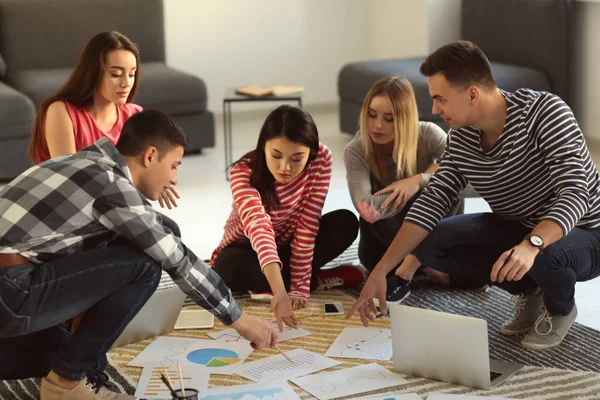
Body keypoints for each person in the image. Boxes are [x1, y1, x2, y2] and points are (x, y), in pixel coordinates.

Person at [0, 109, 277, 400]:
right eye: (173, 165)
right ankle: (64, 385)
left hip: (15, 285)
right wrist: (240, 320)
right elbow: (176, 258)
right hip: (12, 291)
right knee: (146, 264)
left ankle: (62, 365)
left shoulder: (83, 162)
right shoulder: (111, 186)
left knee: (82, 354)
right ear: (150, 156)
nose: (175, 178)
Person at [347, 40, 600, 351]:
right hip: (522, 227)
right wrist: (383, 271)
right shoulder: (462, 138)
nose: (435, 110)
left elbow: (576, 194)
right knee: (429, 241)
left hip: (585, 231)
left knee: (546, 255)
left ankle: (560, 307)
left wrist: (531, 244)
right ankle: (531, 291)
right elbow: (431, 203)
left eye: (440, 99)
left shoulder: (546, 113)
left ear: (472, 94)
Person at [212, 105, 362, 331]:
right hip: (248, 249)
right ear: (263, 146)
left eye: (297, 158)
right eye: (276, 155)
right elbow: (259, 228)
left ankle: (289, 282)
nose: (285, 167)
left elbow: (308, 224)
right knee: (224, 267)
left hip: (289, 246)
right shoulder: (243, 172)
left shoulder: (321, 158)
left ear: (310, 153)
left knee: (346, 222)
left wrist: (300, 287)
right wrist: (282, 293)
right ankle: (316, 280)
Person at [344, 76, 472, 305]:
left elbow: (472, 182)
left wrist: (419, 180)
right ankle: (416, 265)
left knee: (480, 277)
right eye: (371, 115)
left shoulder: (428, 135)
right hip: (384, 244)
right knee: (444, 179)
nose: (377, 125)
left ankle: (410, 266)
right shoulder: (357, 149)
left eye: (389, 119)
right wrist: (433, 172)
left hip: (434, 233)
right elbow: (367, 207)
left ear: (405, 118)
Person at [28, 30, 178, 209]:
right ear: (93, 73)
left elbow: (141, 174)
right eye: (116, 74)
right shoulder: (61, 111)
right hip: (64, 209)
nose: (126, 83)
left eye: (131, 74)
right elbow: (69, 180)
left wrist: (156, 180)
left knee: (168, 228)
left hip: (112, 205)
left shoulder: (134, 114)